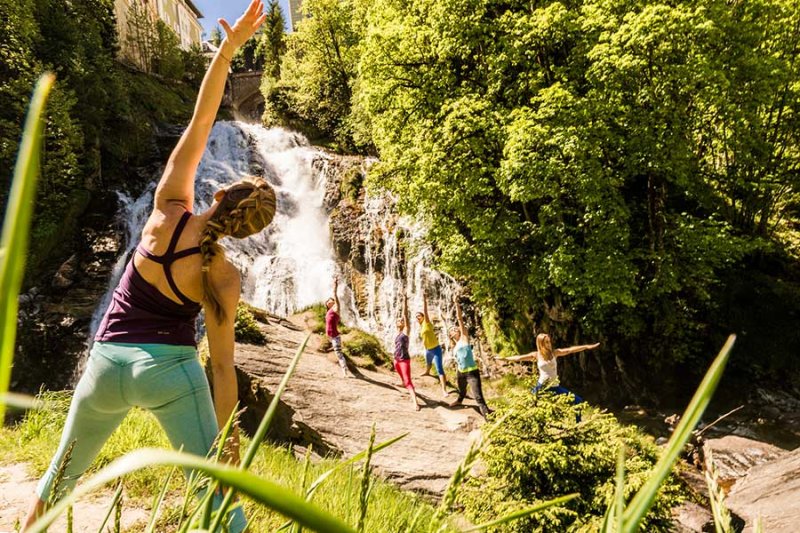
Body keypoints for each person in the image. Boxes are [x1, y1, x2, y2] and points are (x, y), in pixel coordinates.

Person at [23, 3, 271, 531]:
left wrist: (226, 52)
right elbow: (223, 368)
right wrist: (227, 445)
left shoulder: (165, 208)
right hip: (171, 375)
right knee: (217, 500)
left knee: (57, 480)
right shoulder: (224, 275)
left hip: (106, 365)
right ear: (244, 230)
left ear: (221, 192)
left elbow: (202, 122)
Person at [503, 333, 599, 421]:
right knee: (528, 405)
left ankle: (578, 425)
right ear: (541, 344)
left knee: (578, 401)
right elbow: (519, 358)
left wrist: (586, 347)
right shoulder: (536, 355)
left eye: (549, 341)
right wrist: (504, 358)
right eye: (546, 342)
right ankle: (513, 419)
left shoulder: (555, 353)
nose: (549, 344)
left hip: (555, 387)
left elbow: (570, 350)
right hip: (541, 387)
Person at [448, 296, 490, 417]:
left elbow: (460, 319)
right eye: (452, 330)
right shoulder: (453, 346)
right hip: (460, 372)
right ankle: (459, 400)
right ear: (450, 335)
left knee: (478, 397)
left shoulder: (464, 338)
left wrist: (456, 304)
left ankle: (488, 417)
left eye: (456, 328)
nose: (455, 329)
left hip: (472, 372)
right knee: (461, 390)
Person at [416, 291, 448, 396]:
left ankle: (444, 390)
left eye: (419, 316)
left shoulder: (427, 323)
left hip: (436, 349)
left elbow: (425, 311)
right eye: (416, 317)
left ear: (423, 317)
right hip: (428, 350)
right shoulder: (421, 327)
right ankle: (427, 372)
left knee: (439, 369)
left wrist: (425, 299)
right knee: (429, 363)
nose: (417, 318)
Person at [395, 294, 420, 411]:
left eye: (401, 321)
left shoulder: (405, 331)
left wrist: (404, 301)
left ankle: (415, 402)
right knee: (402, 377)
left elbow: (405, 316)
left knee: (408, 382)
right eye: (398, 321)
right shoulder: (397, 333)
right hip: (396, 359)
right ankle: (402, 383)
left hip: (404, 359)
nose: (400, 321)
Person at [325, 275, 348, 377]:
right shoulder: (329, 311)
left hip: (334, 336)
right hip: (329, 336)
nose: (330, 301)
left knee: (339, 354)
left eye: (332, 300)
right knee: (332, 352)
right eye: (329, 300)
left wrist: (335, 284)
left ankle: (345, 371)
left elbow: (335, 295)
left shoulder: (336, 309)